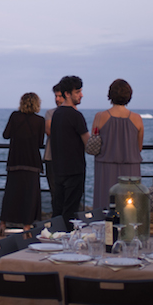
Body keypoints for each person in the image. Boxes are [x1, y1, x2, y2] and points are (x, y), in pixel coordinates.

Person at [91, 79, 144, 210]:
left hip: (105, 167)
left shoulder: (100, 116)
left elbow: (94, 142)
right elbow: (139, 147)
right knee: (130, 208)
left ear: (110, 94)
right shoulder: (137, 118)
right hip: (130, 169)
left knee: (105, 206)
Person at [0, 92, 46, 234]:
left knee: (11, 193)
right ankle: (27, 226)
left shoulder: (15, 116)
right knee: (30, 196)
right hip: (32, 162)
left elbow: (5, 135)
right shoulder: (40, 120)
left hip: (15, 160)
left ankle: (3, 224)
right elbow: (39, 143)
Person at [48, 75, 89, 224]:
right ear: (68, 94)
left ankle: (54, 239)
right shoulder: (76, 116)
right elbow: (89, 143)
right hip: (74, 169)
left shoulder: (56, 114)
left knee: (58, 210)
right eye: (77, 91)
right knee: (71, 212)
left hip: (58, 169)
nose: (81, 95)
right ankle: (68, 241)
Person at [42, 84, 63, 205]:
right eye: (56, 96)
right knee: (54, 191)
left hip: (66, 158)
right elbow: (49, 131)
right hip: (51, 157)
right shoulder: (50, 113)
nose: (57, 99)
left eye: (59, 96)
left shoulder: (74, 113)